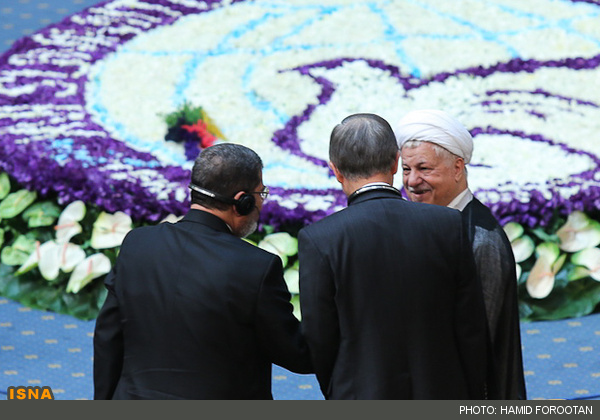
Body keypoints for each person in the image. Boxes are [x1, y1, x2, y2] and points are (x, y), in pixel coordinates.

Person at [93, 143, 312, 399]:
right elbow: (299, 354)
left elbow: (108, 336)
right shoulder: (256, 267)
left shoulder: (137, 243)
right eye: (261, 193)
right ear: (242, 201)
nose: (262, 203)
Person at [298, 113, 488, 399]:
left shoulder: (319, 239)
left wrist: (340, 392)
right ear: (396, 162)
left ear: (335, 171)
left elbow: (320, 340)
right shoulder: (447, 223)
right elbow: (471, 327)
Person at [394, 109, 527, 400]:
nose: (412, 181)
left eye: (424, 169)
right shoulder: (426, 222)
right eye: (406, 169)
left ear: (457, 168)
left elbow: (480, 342)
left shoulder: (480, 239)